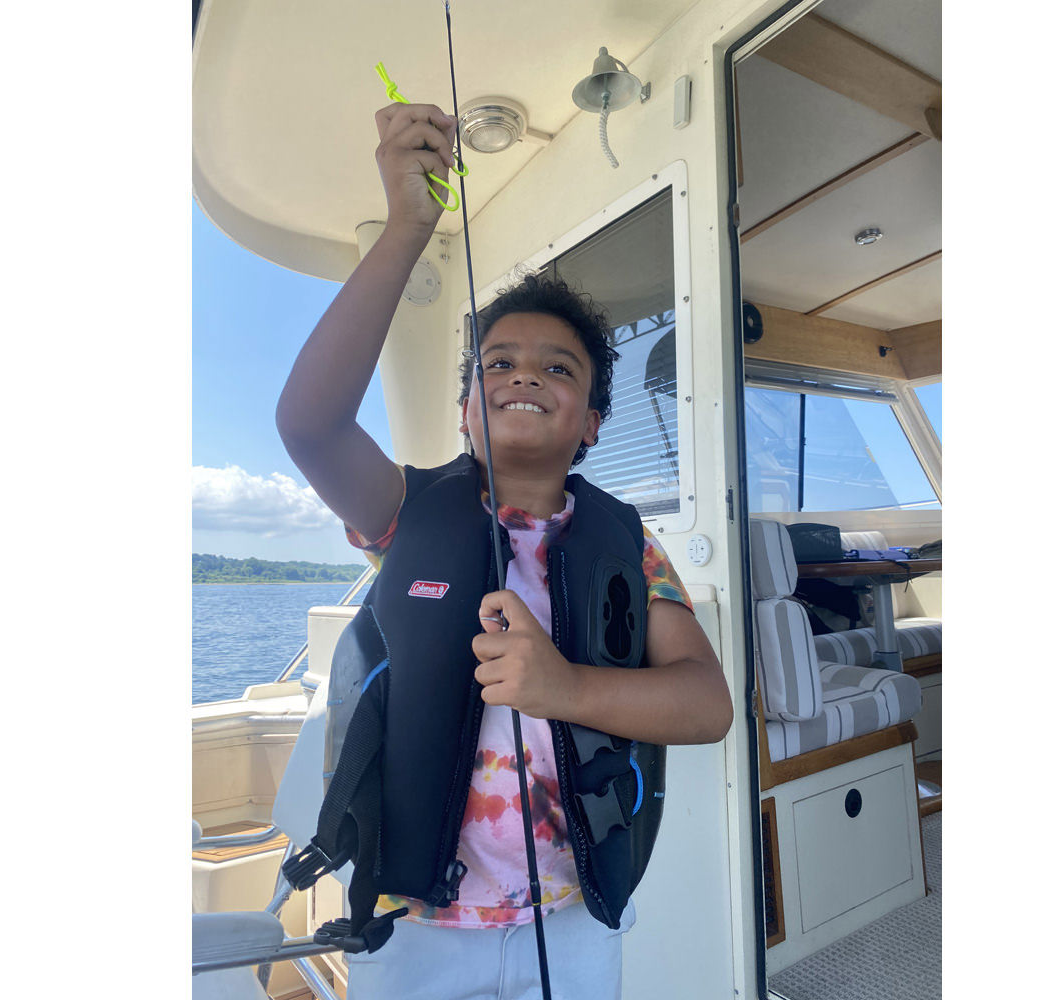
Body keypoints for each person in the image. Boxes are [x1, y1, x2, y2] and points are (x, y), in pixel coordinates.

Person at [275, 101, 733, 1000]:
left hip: (574, 918)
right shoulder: (407, 513)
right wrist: (412, 225)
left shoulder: (630, 548)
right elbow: (310, 424)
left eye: (560, 368)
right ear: (462, 413)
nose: (524, 373)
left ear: (594, 422)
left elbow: (707, 702)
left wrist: (564, 686)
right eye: (497, 363)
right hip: (416, 930)